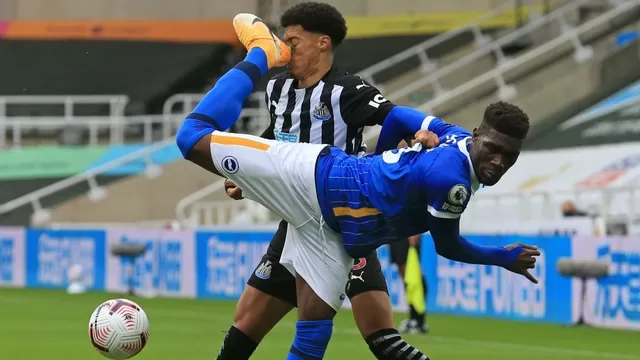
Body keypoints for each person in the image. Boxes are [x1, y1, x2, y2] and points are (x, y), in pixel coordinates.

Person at [177, 13, 540, 360]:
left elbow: (396, 115)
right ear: (478, 137)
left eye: (509, 156)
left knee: (315, 334)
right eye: (493, 150)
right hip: (313, 178)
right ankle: (259, 52)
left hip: (337, 230)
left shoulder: (452, 136)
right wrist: (504, 257)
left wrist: (380, 161)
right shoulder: (452, 183)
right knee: (191, 138)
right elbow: (448, 245)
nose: (498, 162)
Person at [216, 3, 433, 360]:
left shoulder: (348, 90)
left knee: (382, 338)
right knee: (243, 328)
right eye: (283, 42)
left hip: (345, 228)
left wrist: (425, 132)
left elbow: (394, 115)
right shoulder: (277, 90)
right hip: (296, 225)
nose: (286, 51)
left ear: (322, 43)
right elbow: (274, 138)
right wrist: (245, 175)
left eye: (294, 42)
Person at [390, 235, 429, 334]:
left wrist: (415, 232)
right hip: (396, 232)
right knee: (406, 276)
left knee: (414, 275)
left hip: (408, 232)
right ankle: (413, 318)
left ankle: (419, 320)